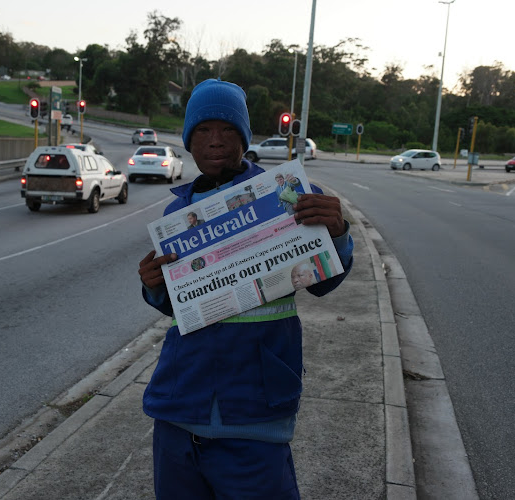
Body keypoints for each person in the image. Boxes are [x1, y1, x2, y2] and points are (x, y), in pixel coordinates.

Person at [138, 78, 354, 499]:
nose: (214, 141)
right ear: (188, 140)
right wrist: (154, 288)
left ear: (244, 136)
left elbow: (325, 285)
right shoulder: (176, 212)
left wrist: (338, 233)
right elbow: (180, 306)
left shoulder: (289, 196)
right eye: (202, 130)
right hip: (178, 412)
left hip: (256, 416)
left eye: (227, 129)